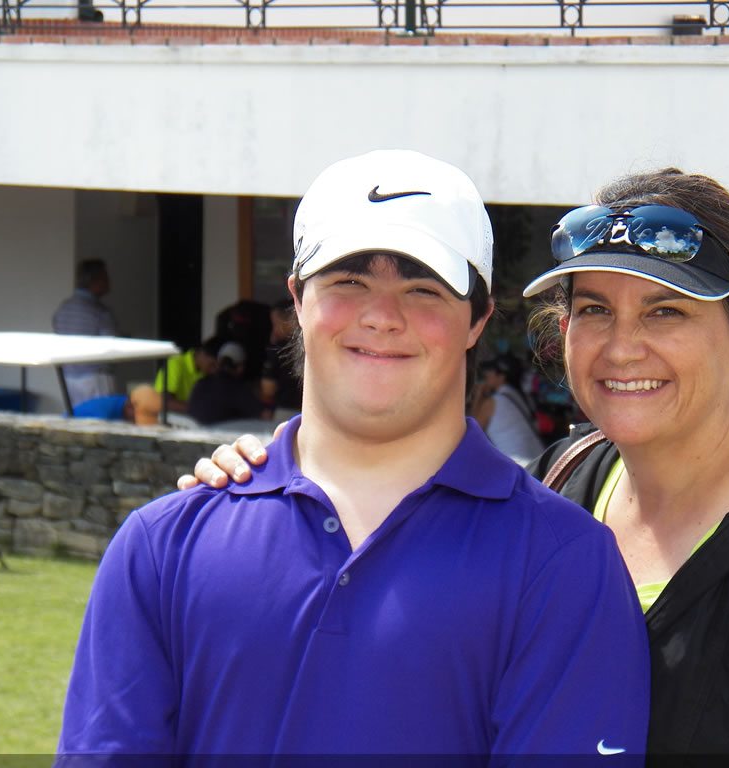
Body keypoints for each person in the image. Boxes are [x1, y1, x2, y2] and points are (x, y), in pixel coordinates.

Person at [185, 168, 729, 756]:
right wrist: (264, 483)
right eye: (595, 309)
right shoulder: (564, 481)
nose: (622, 347)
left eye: (666, 311)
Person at [58, 149, 650, 760]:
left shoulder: (565, 563)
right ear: (297, 299)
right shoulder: (162, 548)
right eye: (349, 282)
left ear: (478, 319)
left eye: (423, 289)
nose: (382, 316)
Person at [52, 258, 118, 406]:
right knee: (101, 417)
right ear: (95, 281)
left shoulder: (63, 309)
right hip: (96, 378)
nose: (109, 282)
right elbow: (111, 345)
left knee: (76, 416)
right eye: (105, 278)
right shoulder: (100, 312)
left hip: (69, 377)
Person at [471, 353, 544, 464]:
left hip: (521, 465)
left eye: (491, 371)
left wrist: (478, 395)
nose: (487, 374)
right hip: (539, 458)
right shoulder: (519, 395)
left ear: (501, 376)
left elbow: (471, 432)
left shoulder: (495, 401)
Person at [186, 341, 268, 426]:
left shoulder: (200, 384)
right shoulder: (237, 389)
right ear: (240, 367)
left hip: (194, 432)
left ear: (218, 362)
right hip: (220, 434)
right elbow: (265, 416)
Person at [153, 336, 222, 414]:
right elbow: (165, 402)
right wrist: (200, 410)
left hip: (195, 418)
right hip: (172, 419)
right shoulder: (175, 364)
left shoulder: (206, 372)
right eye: (212, 365)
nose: (215, 371)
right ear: (202, 353)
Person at [259, 299, 303, 421]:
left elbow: (268, 388)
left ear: (289, 320)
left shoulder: (278, 349)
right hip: (312, 411)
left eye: (275, 324)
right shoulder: (312, 345)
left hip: (286, 411)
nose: (274, 330)